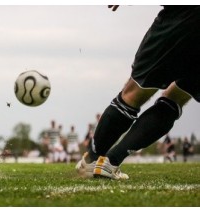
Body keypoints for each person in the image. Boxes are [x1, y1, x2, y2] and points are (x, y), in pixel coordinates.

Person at [76, 5, 200, 180]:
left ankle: (91, 160)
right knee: (176, 97)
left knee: (133, 94)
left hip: (185, 14)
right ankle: (110, 162)